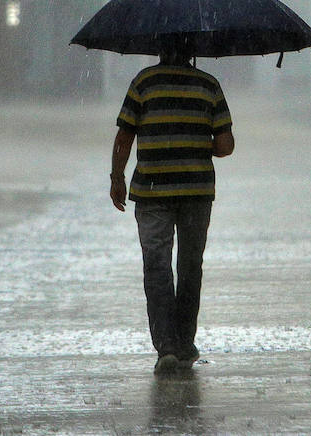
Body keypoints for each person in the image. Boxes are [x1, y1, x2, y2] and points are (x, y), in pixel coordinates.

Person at [110, 39, 235, 375]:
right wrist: (195, 140)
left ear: (160, 50)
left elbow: (125, 136)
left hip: (151, 191)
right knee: (190, 266)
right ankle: (184, 342)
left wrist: (117, 177)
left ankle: (165, 346)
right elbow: (225, 145)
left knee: (157, 267)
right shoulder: (209, 85)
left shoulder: (144, 82)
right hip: (196, 192)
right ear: (192, 52)